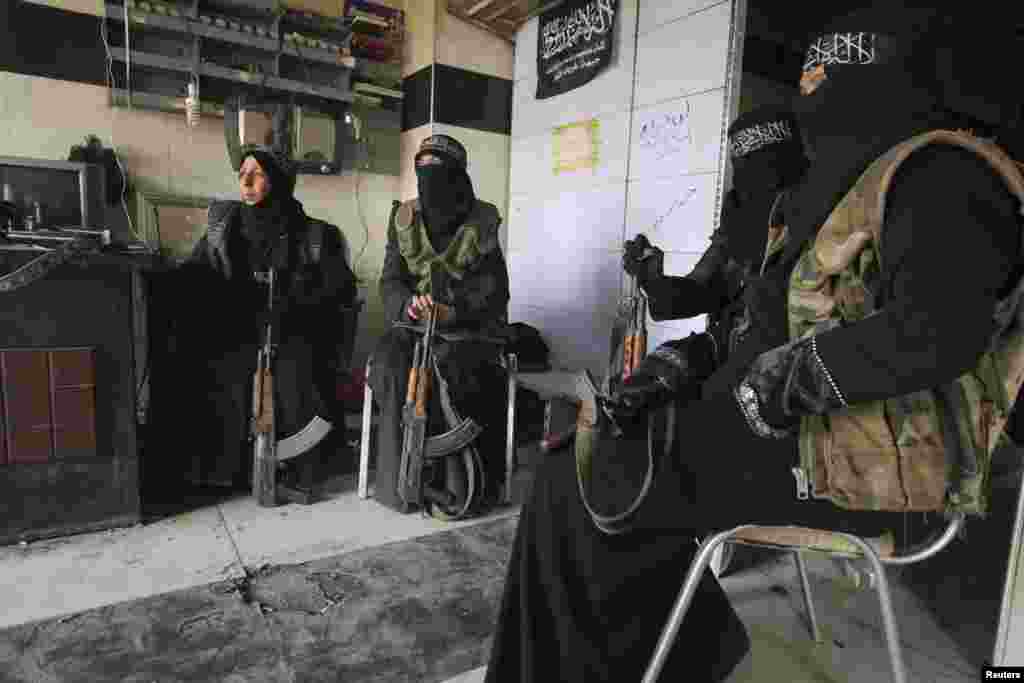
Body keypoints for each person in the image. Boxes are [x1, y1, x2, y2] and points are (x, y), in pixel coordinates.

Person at [485, 4, 1022, 681]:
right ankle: (687, 649)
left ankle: (673, 654)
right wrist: (686, 363)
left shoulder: (944, 176)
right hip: (794, 432)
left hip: (871, 468)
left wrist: (775, 384)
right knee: (588, 454)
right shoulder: (832, 191)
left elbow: (936, 331)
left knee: (589, 479)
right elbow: (766, 319)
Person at [148, 145, 357, 497]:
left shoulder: (317, 235)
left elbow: (341, 289)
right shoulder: (223, 227)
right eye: (242, 172)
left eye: (257, 173)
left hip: (292, 328)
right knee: (203, 362)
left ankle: (298, 466)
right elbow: (198, 272)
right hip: (235, 327)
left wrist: (296, 301)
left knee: (298, 373)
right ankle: (222, 470)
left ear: (278, 181)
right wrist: (160, 283)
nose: (245, 180)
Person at [607, 106, 809, 432]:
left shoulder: (819, 223)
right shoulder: (739, 219)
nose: (752, 184)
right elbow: (698, 290)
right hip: (726, 351)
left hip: (791, 371)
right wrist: (654, 279)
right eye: (742, 168)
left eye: (764, 167)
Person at [369, 134, 511, 515]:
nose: (430, 184)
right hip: (414, 328)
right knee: (389, 364)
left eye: (441, 174)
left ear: (459, 177)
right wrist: (408, 306)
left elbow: (496, 291)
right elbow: (390, 281)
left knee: (463, 372)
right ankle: (399, 483)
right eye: (423, 173)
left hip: (466, 332)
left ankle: (459, 482)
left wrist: (454, 310)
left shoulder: (481, 220)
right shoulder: (403, 219)